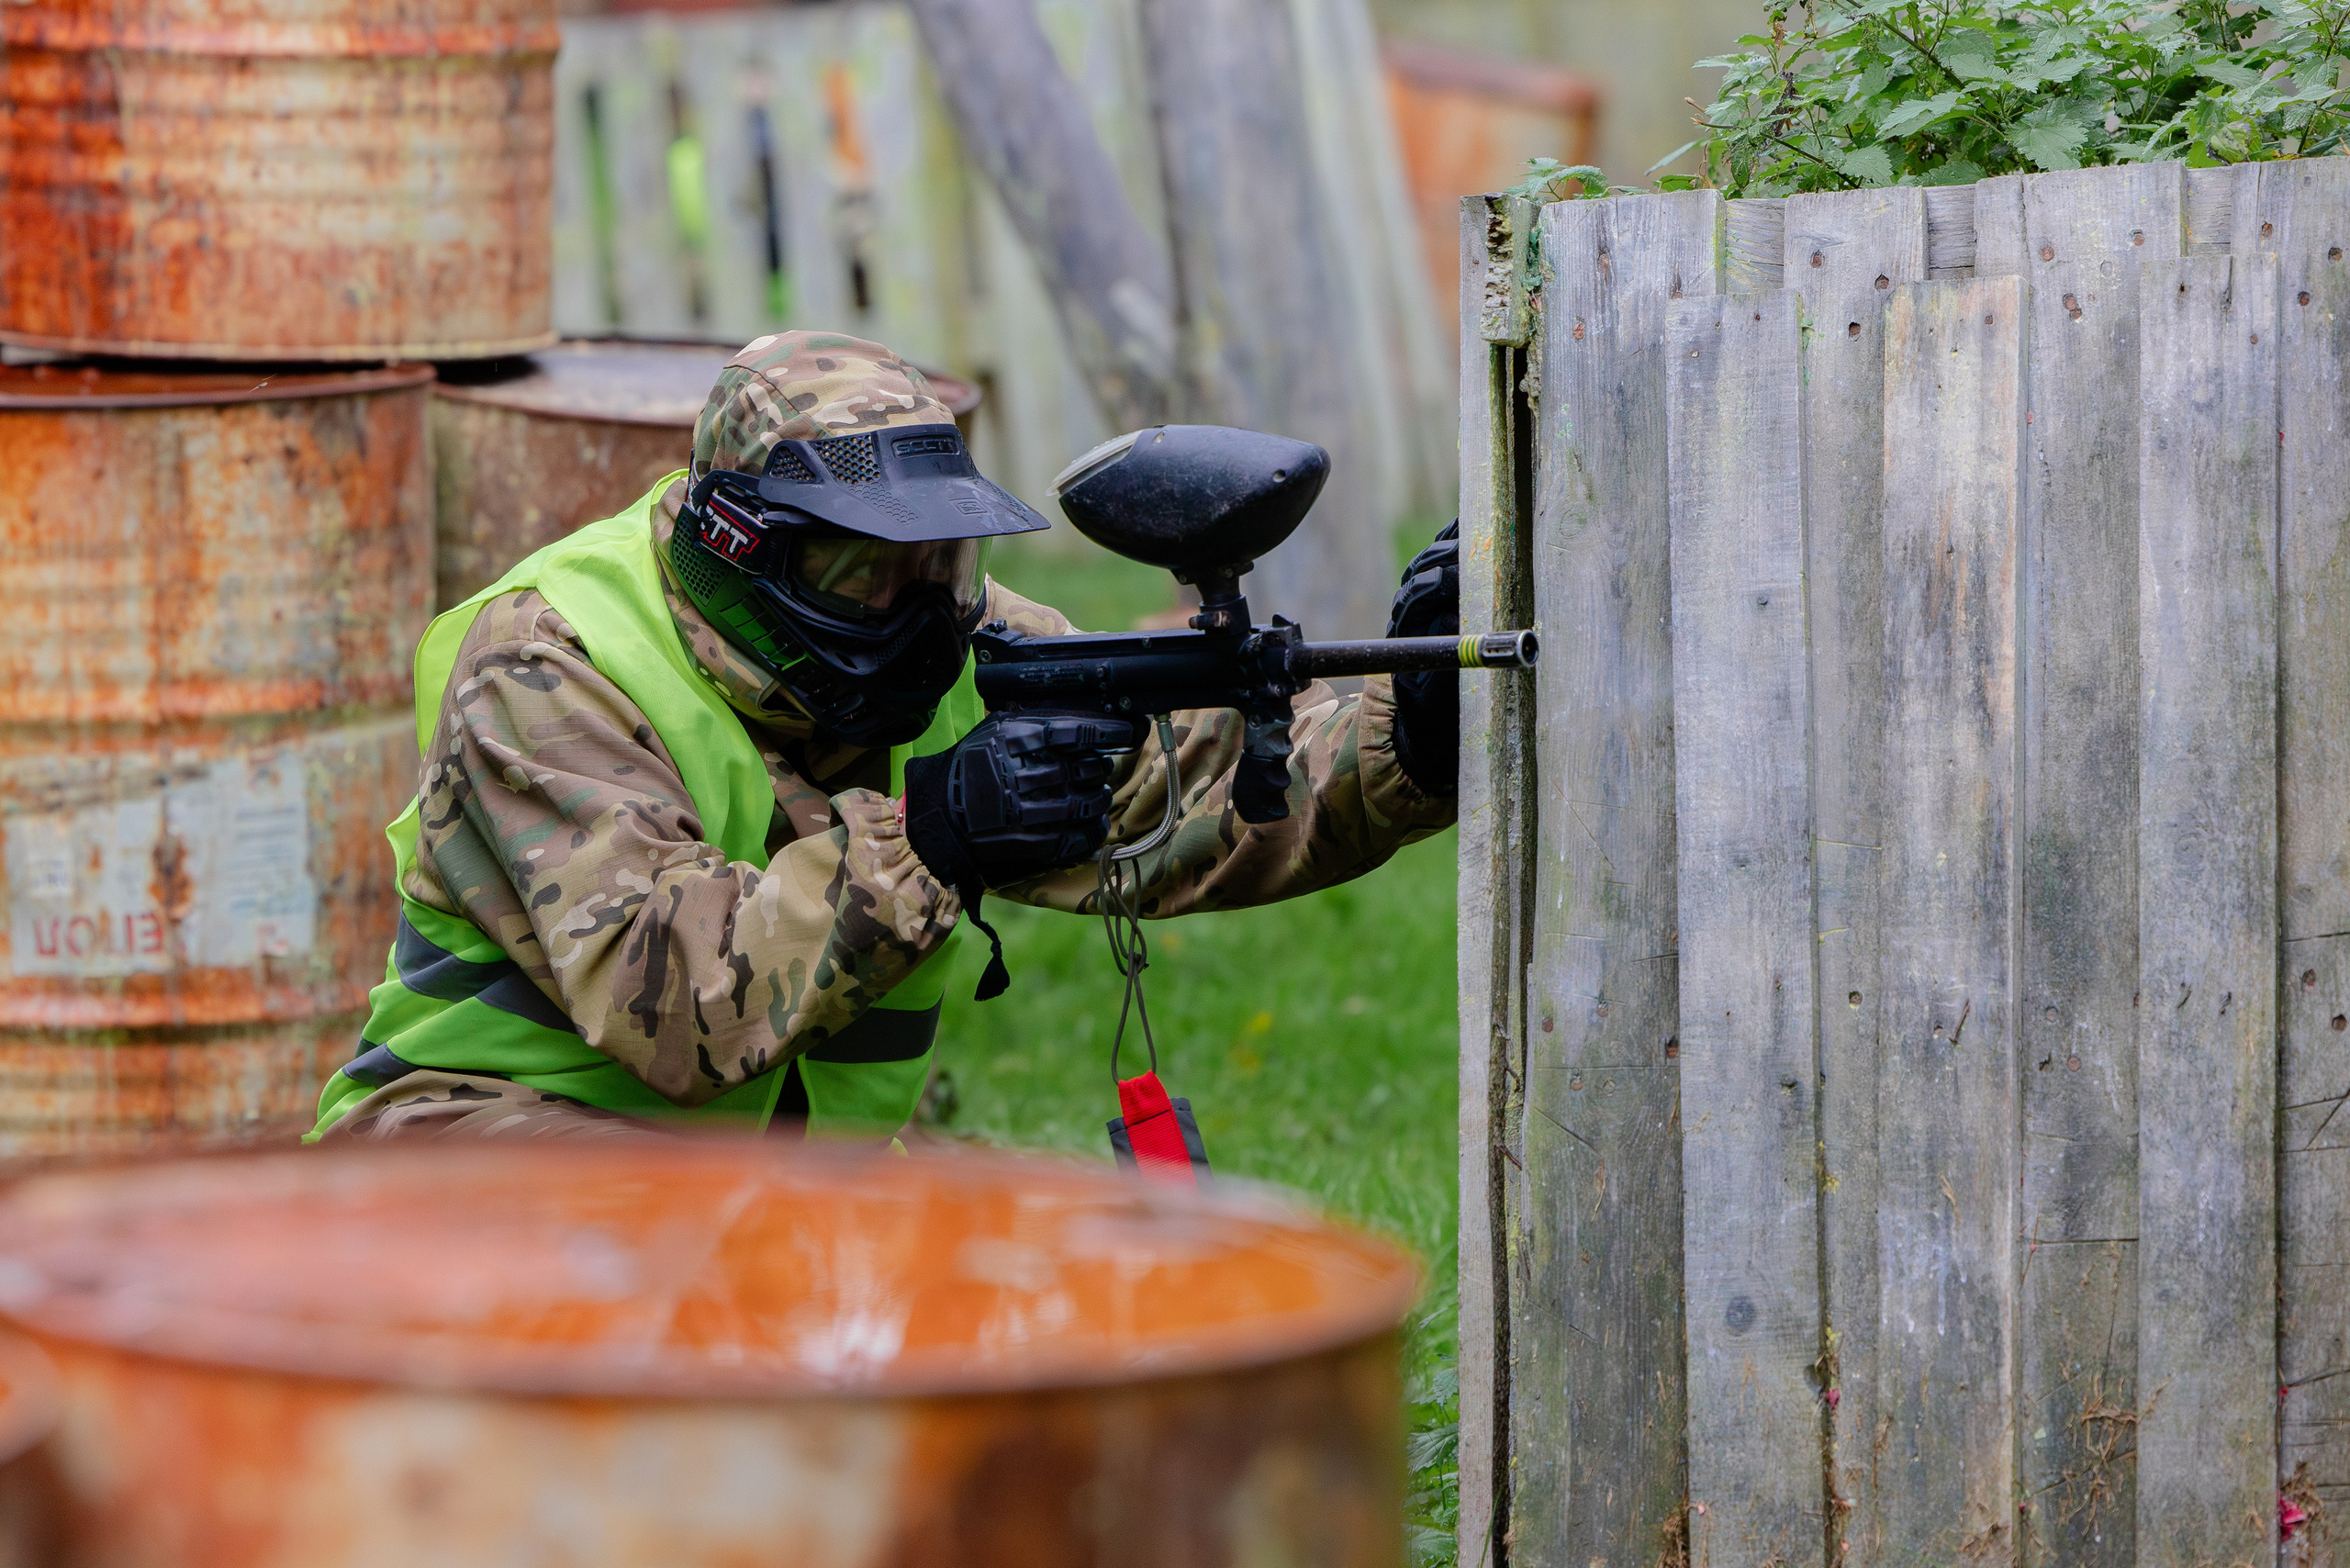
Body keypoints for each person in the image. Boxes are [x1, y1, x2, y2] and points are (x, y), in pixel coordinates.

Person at [309, 330, 1461, 1143]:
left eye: (939, 563)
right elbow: (672, 994)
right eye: (867, 570)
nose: (916, 610)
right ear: (743, 549)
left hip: (796, 1186)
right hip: (481, 1153)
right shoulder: (551, 665)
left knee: (1052, 1311)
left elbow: (1180, 790)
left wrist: (1405, 735)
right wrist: (933, 838)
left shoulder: (957, 634)